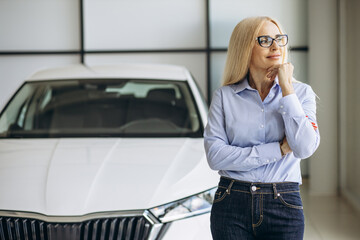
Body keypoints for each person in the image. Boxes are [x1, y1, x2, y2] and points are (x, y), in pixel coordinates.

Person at [204, 16, 320, 240]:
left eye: (279, 39)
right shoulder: (224, 96)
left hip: (284, 201)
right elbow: (215, 156)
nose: (276, 46)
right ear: (245, 48)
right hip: (230, 202)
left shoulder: (301, 93)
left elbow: (304, 148)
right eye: (265, 40)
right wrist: (278, 149)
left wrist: (287, 88)